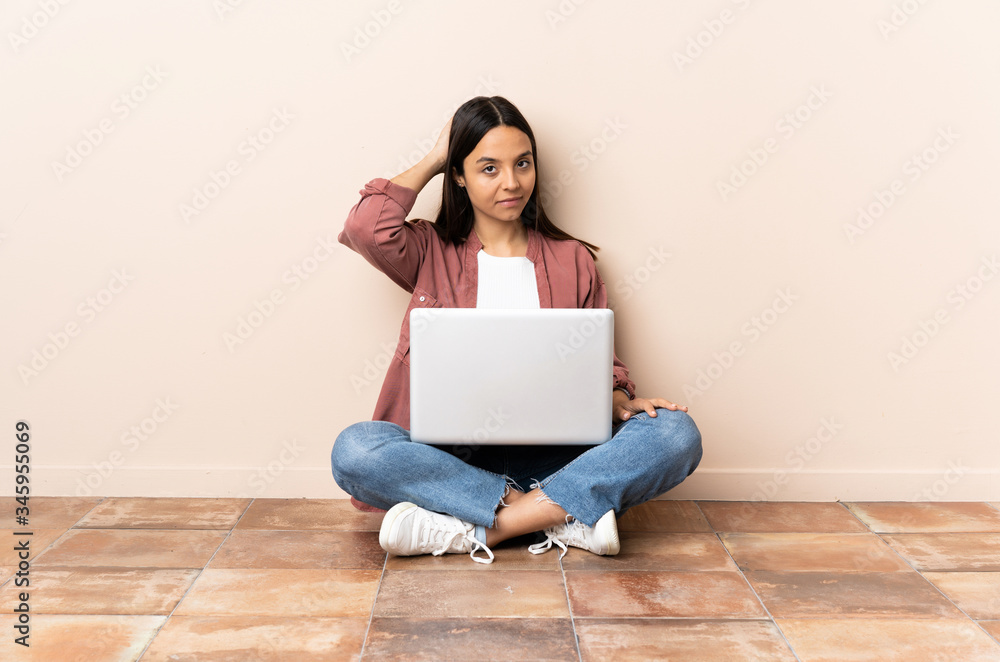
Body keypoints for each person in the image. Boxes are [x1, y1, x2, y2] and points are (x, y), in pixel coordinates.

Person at [332, 96, 702, 564]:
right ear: (459, 175)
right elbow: (366, 227)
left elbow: (595, 367)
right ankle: (560, 514)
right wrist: (434, 160)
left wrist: (622, 401)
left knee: (675, 432)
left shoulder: (573, 260)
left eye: (522, 164)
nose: (511, 182)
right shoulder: (429, 250)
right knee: (355, 449)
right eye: (489, 168)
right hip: (453, 460)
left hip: (559, 457)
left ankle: (477, 528)